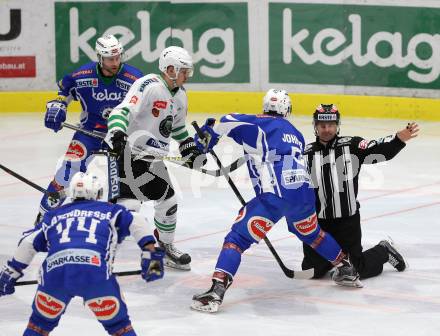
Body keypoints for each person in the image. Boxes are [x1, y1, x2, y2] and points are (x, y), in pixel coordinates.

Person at [190, 89, 362, 313]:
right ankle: (345, 268)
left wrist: (208, 134)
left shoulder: (256, 122)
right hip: (303, 195)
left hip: (274, 196)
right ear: (287, 110)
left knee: (237, 238)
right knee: (312, 234)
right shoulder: (296, 134)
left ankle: (216, 290)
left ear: (264, 107)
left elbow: (226, 120)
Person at [0, 172, 165, 336]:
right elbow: (137, 220)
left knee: (38, 326)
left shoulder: (53, 215)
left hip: (56, 273)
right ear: (98, 193)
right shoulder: (110, 210)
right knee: (120, 327)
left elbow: (28, 241)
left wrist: (10, 273)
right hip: (94, 274)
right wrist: (152, 256)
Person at [105, 46, 205, 271]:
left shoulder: (180, 95)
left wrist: (189, 149)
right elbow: (121, 111)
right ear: (170, 69)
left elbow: (177, 127)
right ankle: (100, 254)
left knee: (168, 202)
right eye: (183, 71)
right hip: (127, 154)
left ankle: (166, 247)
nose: (187, 75)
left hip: (153, 159)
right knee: (128, 210)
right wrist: (119, 134)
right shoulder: (149, 85)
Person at [301, 104, 419, 280]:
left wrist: (398, 140)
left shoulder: (352, 145)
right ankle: (333, 260)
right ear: (315, 126)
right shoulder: (305, 153)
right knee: (313, 272)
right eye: (322, 126)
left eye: (331, 125)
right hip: (319, 223)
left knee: (357, 270)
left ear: (337, 125)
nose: (327, 129)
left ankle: (383, 250)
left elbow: (378, 149)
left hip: (347, 221)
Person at [37, 34, 143, 221]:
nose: (115, 62)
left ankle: (121, 222)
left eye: (118, 57)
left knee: (125, 185)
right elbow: (64, 92)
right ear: (100, 58)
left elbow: (147, 105)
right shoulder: (82, 76)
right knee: (66, 173)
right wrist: (58, 106)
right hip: (89, 132)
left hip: (120, 136)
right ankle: (42, 219)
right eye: (110, 59)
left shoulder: (135, 79)